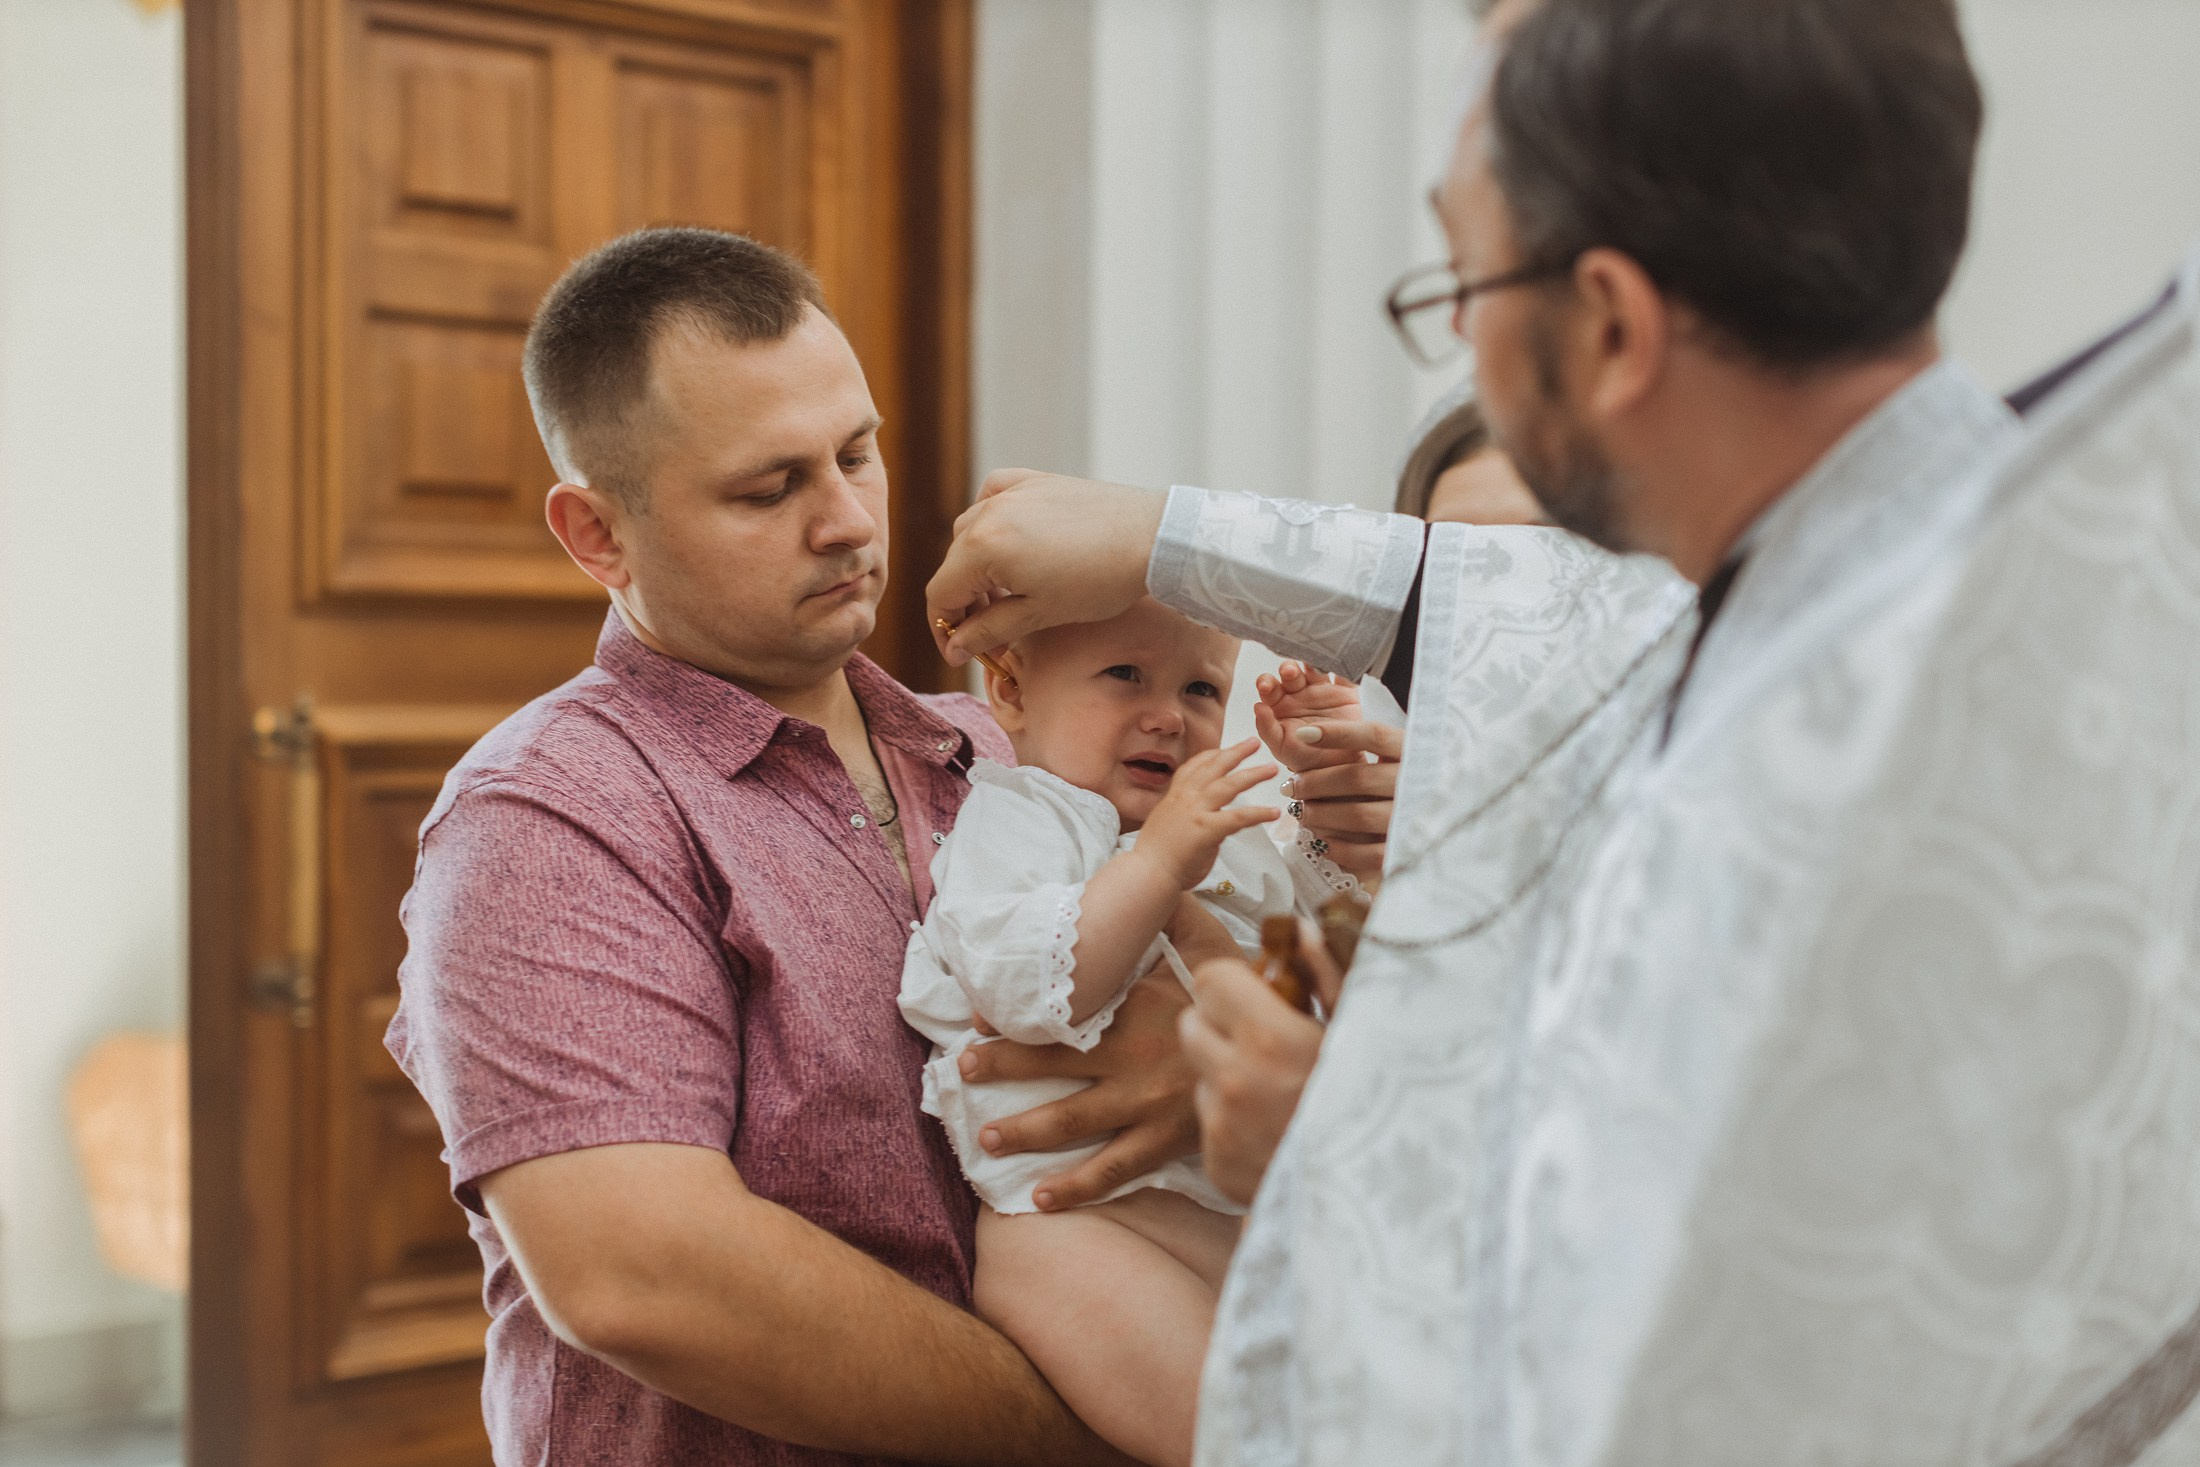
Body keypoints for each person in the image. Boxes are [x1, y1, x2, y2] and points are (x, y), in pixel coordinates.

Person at [921, 0, 2200, 1460]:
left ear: (1608, 323)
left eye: (1464, 279)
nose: (1461, 331)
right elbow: (1559, 628)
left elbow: (1704, 1390)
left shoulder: (1848, 762)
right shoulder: (1973, 567)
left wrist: (1332, 1145)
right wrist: (1165, 539)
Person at [386, 227, 1196, 1466]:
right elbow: (642, 1277)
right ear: (597, 534)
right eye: (770, 489)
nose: (848, 522)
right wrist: (1080, 1439)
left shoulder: (1003, 749)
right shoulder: (544, 818)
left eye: (857, 454)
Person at [900, 597, 1356, 1467]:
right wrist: (1156, 865)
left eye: (1199, 687)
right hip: (1070, 1220)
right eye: (1124, 676)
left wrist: (1323, 807)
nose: (1166, 714)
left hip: (1224, 1201)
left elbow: (1324, 964)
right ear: (1010, 690)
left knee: (1337, 1386)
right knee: (1239, 1430)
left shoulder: (1213, 833)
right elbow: (1024, 992)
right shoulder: (1025, 816)